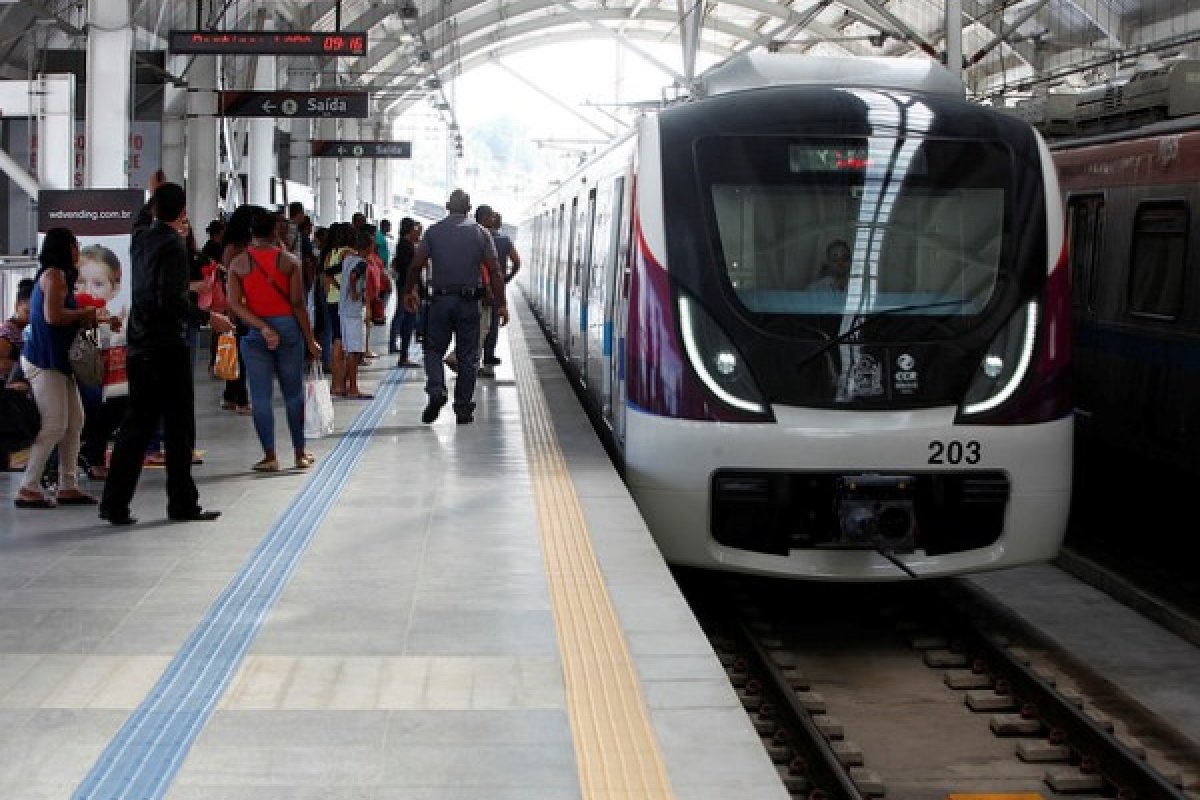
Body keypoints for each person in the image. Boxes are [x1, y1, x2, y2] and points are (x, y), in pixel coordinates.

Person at [98, 180, 233, 526]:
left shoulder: (140, 237)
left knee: (136, 426)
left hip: (139, 345)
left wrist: (157, 198)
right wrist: (208, 318)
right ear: (183, 213)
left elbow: (144, 218)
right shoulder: (172, 244)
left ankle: (114, 504)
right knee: (178, 427)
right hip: (166, 347)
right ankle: (182, 503)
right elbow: (171, 299)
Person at [15, 227, 119, 509]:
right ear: (66, 247)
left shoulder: (59, 276)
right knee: (54, 424)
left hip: (59, 360)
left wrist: (94, 317)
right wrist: (87, 313)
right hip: (44, 360)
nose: (78, 249)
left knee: (75, 422)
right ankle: (29, 486)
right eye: (75, 244)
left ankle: (68, 485)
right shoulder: (54, 276)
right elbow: (54, 316)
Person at [226, 206, 321, 472]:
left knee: (260, 397)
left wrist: (261, 326)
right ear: (275, 231)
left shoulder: (238, 263)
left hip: (255, 332)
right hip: (288, 328)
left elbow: (234, 303)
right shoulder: (290, 262)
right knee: (293, 394)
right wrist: (310, 339)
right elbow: (298, 304)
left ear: (251, 233)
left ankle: (270, 456)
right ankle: (300, 453)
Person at [402, 189, 508, 425]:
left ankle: (437, 389)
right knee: (467, 357)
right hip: (469, 303)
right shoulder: (481, 233)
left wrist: (409, 291)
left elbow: (415, 266)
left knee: (433, 350)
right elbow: (495, 271)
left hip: (440, 301)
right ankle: (462, 409)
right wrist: (500, 304)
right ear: (469, 208)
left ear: (447, 206)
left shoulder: (433, 232)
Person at [480, 210, 520, 374]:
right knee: (493, 325)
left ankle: (473, 359)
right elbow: (517, 262)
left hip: (479, 287)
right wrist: (506, 278)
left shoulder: (476, 237)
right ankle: (488, 356)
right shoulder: (505, 240)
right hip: (497, 287)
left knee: (478, 324)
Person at [339, 228, 375, 399]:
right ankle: (353, 387)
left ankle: (343, 385)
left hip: (344, 310)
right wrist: (354, 292)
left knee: (349, 349)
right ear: (368, 247)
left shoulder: (347, 259)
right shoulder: (362, 263)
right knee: (354, 351)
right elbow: (354, 276)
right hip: (353, 311)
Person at [389, 217, 422, 367]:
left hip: (405, 286)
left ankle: (403, 352)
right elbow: (411, 269)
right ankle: (403, 355)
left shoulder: (403, 244)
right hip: (408, 287)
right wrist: (413, 289)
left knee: (404, 317)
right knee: (407, 318)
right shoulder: (406, 246)